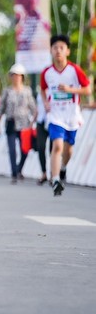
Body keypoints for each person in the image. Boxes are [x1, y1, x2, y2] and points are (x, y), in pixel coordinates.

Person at [40, 34, 91, 196]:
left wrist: (71, 90)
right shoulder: (47, 73)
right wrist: (46, 103)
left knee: (68, 151)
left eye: (61, 48)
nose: (58, 51)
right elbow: (42, 89)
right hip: (55, 115)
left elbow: (88, 89)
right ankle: (55, 180)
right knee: (57, 146)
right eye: (55, 48)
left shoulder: (74, 70)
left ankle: (62, 169)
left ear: (67, 51)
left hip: (72, 116)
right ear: (51, 50)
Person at [0, 63, 37, 184]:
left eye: (18, 75)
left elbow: (34, 109)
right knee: (12, 149)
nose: (16, 78)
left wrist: (31, 124)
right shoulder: (7, 91)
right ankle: (14, 173)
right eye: (14, 75)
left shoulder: (27, 91)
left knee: (25, 149)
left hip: (24, 124)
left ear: (22, 77)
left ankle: (19, 169)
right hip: (11, 123)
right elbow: (1, 109)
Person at [34, 92, 51, 185]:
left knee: (53, 149)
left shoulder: (55, 88)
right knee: (40, 147)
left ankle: (54, 174)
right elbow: (38, 108)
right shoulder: (40, 93)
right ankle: (44, 173)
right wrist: (33, 121)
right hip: (41, 122)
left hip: (53, 120)